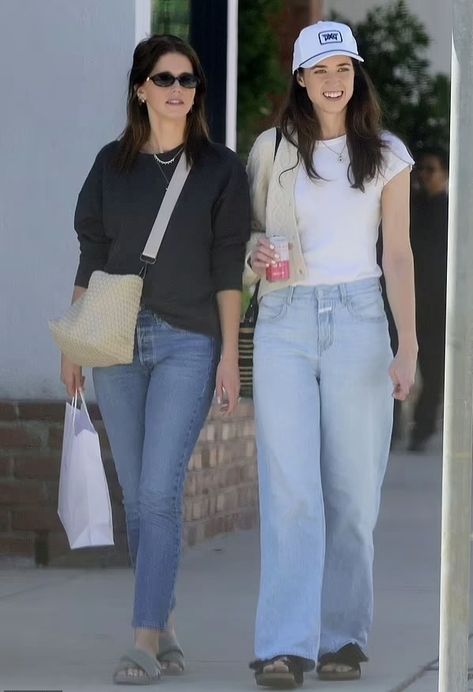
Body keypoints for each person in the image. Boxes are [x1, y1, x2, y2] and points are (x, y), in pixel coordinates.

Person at [60, 34, 250, 685]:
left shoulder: (220, 169)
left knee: (158, 494)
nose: (177, 89)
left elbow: (230, 269)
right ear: (141, 89)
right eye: (164, 78)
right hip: (114, 343)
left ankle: (142, 638)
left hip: (187, 342)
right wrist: (75, 343)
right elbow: (91, 252)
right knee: (137, 500)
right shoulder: (111, 165)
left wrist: (229, 355)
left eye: (188, 80)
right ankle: (164, 627)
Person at [244, 21, 417, 687]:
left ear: (355, 74)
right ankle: (284, 645)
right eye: (320, 70)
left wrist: (408, 347)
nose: (332, 80)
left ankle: (342, 637)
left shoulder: (386, 154)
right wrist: (254, 256)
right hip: (285, 322)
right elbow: (252, 237)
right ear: (300, 78)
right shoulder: (272, 149)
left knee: (350, 493)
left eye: (342, 67)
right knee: (290, 492)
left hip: (358, 318)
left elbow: (396, 256)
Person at [408, 147, 449, 451]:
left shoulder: (454, 211)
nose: (423, 175)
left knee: (434, 373)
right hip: (407, 301)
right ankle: (395, 430)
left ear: (445, 174)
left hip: (438, 306)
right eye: (420, 169)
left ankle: (422, 431)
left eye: (431, 169)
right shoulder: (412, 206)